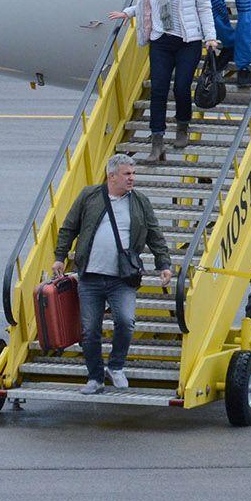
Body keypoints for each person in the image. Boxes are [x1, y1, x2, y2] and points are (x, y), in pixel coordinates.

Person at [52, 155, 171, 394]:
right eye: (127, 174)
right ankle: (95, 377)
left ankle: (115, 366)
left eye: (133, 173)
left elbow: (155, 235)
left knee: (126, 322)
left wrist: (164, 264)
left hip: (122, 279)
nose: (132, 178)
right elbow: (69, 227)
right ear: (112, 176)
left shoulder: (140, 201)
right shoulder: (90, 196)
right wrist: (60, 256)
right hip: (90, 277)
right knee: (90, 329)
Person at [108, 0, 219, 162]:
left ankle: (182, 125)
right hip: (161, 40)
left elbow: (204, 7)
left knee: (181, 86)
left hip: (189, 41)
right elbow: (145, 4)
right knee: (158, 89)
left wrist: (211, 38)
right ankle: (156, 141)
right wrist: (128, 13)